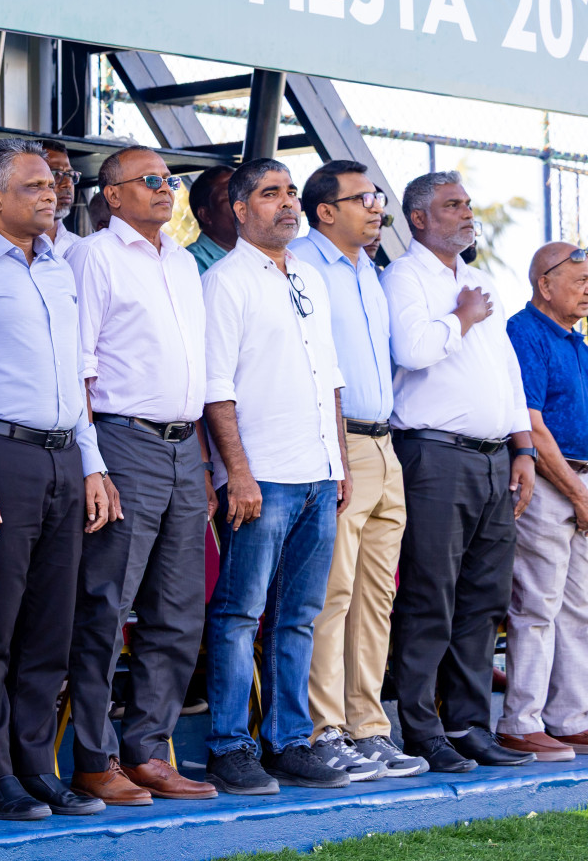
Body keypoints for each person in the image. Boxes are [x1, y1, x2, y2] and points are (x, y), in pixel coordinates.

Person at [0, 140, 110, 821]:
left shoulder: (60, 269)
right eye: (34, 186)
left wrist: (92, 462)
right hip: (2, 454)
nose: (51, 194)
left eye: (52, 184)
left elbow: (74, 374)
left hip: (63, 456)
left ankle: (35, 766)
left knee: (51, 624)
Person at [66, 146, 217, 805]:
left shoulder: (181, 261)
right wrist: (93, 461)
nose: (165, 188)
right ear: (113, 195)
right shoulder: (94, 256)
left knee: (179, 611)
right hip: (123, 441)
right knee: (106, 605)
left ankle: (149, 752)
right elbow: (81, 366)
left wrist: (204, 461)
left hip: (184, 447)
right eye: (150, 180)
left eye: (170, 179)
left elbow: (197, 370)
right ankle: (94, 757)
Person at [202, 158, 350, 795]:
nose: (288, 202)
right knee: (240, 614)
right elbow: (216, 387)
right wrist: (238, 473)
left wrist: (339, 464)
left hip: (318, 475)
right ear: (240, 210)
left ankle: (290, 741)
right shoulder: (225, 281)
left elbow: (330, 380)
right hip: (262, 479)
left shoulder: (310, 277)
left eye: (291, 192)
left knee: (299, 615)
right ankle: (230, 746)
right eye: (271, 194)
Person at [383, 172, 537, 773]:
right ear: (419, 218)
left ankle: (469, 725)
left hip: (495, 458)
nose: (467, 213)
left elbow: (508, 374)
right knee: (430, 595)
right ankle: (421, 729)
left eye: (468, 204)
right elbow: (413, 351)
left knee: (483, 597)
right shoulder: (403, 277)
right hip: (435, 455)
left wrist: (523, 449)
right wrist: (463, 317)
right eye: (453, 205)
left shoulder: (479, 280)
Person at [290, 162, 427, 779]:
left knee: (376, 596)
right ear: (325, 211)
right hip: (337, 443)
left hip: (383, 443)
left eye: (376, 196)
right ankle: (325, 729)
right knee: (332, 593)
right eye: (363, 198)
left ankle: (370, 727)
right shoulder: (300, 266)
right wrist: (333, 449)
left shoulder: (369, 270)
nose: (377, 207)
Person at [498, 242, 588, 762]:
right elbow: (531, 423)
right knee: (537, 606)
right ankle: (520, 722)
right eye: (580, 281)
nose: (587, 290)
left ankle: (570, 720)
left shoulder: (576, 341)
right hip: (551, 485)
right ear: (545, 284)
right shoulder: (525, 331)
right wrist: (577, 491)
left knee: (578, 608)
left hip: (579, 483)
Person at [39, 139, 83, 271]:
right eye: (56, 174)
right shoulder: (14, 246)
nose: (68, 183)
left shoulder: (80, 247)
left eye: (70, 174)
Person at [185, 165, 235, 275]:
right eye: (231, 197)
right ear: (205, 215)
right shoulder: (190, 263)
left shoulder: (261, 251)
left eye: (245, 195)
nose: (243, 203)